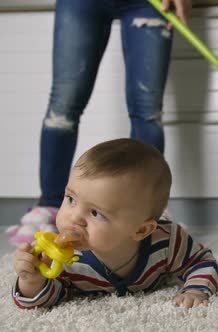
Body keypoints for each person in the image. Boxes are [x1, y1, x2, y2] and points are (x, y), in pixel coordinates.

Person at [6, 0, 191, 244]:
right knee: (63, 108)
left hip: (147, 4)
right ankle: (50, 207)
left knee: (147, 112)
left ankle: (148, 215)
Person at [12, 138, 218, 309]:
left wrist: (195, 289)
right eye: (71, 199)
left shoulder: (168, 241)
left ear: (141, 230)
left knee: (160, 220)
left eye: (95, 213)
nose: (74, 218)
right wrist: (33, 281)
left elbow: (202, 262)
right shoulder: (67, 258)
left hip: (154, 228)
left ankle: (158, 214)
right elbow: (55, 297)